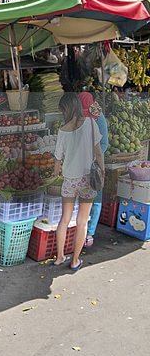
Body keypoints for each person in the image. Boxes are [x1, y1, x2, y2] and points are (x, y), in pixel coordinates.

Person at [52, 93, 104, 269]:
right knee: (82, 221)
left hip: (69, 180)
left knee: (65, 219)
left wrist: (54, 174)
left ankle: (59, 257)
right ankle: (75, 261)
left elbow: (58, 158)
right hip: (88, 179)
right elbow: (98, 152)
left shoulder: (62, 130)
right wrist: (102, 171)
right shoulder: (90, 124)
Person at [79, 92, 109, 248]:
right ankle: (78, 231)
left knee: (95, 198)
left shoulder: (99, 117)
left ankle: (89, 233)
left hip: (94, 162)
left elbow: (104, 143)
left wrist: (94, 159)